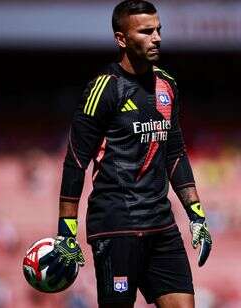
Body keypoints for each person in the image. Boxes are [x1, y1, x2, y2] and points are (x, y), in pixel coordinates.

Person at [55, 1, 212, 307]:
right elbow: (75, 160)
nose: (157, 38)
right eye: (146, 31)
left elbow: (175, 153)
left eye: (158, 30)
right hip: (116, 226)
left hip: (161, 225)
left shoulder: (167, 85)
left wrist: (197, 216)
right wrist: (66, 232)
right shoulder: (104, 89)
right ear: (121, 39)